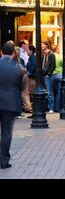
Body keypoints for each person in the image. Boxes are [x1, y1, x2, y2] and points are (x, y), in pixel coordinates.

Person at [0, 41, 24, 169]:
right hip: (10, 104)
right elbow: (22, 86)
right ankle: (4, 160)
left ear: (1, 52)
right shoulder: (18, 68)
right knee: (6, 132)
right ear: (14, 53)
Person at [41, 40, 56, 113]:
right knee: (43, 92)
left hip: (48, 76)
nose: (42, 46)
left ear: (47, 45)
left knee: (49, 92)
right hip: (42, 75)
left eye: (43, 44)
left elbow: (53, 65)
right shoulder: (41, 54)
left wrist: (49, 74)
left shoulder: (51, 54)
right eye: (41, 44)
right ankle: (45, 107)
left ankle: (51, 108)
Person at [24, 46, 36, 115]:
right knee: (31, 93)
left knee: (32, 93)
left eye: (27, 50)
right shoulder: (31, 57)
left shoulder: (32, 57)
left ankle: (33, 110)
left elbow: (33, 66)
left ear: (31, 51)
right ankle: (33, 110)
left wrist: (28, 73)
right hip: (31, 77)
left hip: (32, 78)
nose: (26, 52)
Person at [51, 45, 63, 112]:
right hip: (59, 75)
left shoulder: (50, 56)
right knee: (59, 92)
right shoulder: (60, 57)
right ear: (57, 49)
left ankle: (51, 108)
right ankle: (57, 108)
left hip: (52, 75)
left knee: (52, 92)